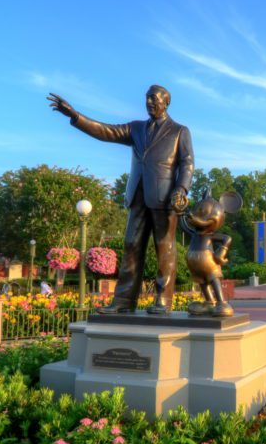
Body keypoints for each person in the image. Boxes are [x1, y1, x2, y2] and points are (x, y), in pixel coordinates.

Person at [49, 85, 193, 314]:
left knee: (164, 249)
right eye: (147, 99)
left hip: (165, 199)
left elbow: (187, 163)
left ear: (166, 102)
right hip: (137, 196)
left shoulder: (179, 131)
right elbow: (106, 131)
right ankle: (124, 302)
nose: (149, 103)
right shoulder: (135, 128)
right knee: (131, 245)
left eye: (154, 99)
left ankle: (163, 301)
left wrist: (182, 188)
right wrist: (76, 116)